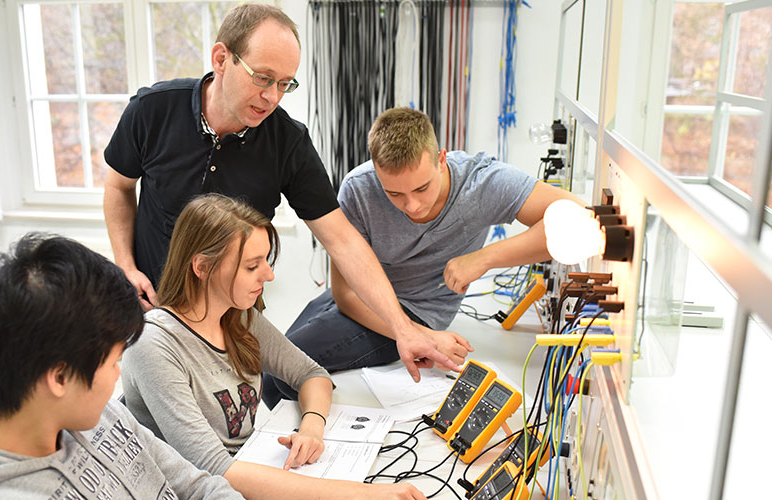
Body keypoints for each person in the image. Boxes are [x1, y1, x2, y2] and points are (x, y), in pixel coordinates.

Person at [103, 4, 464, 382]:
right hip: (152, 310)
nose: (273, 97)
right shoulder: (152, 110)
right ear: (222, 58)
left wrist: (404, 329)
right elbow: (118, 187)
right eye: (263, 78)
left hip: (232, 321)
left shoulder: (288, 142)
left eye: (285, 84)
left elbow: (343, 241)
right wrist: (126, 266)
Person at [262, 107, 580, 408]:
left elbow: (577, 217)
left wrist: (484, 259)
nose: (412, 205)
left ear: (441, 160)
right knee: (272, 366)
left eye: (422, 188)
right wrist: (423, 338)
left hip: (417, 311)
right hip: (362, 301)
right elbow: (345, 294)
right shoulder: (359, 188)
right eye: (395, 194)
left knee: (282, 372)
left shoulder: (482, 183)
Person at [119, 194, 425, 500]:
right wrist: (363, 494)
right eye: (252, 266)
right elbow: (215, 469)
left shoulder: (239, 317)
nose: (269, 274)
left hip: (249, 470)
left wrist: (312, 427)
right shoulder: (153, 345)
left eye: (266, 260)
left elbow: (312, 374)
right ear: (202, 266)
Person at [0, 233, 243, 500]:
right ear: (59, 378)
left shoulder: (99, 413)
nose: (118, 374)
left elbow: (202, 486)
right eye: (112, 362)